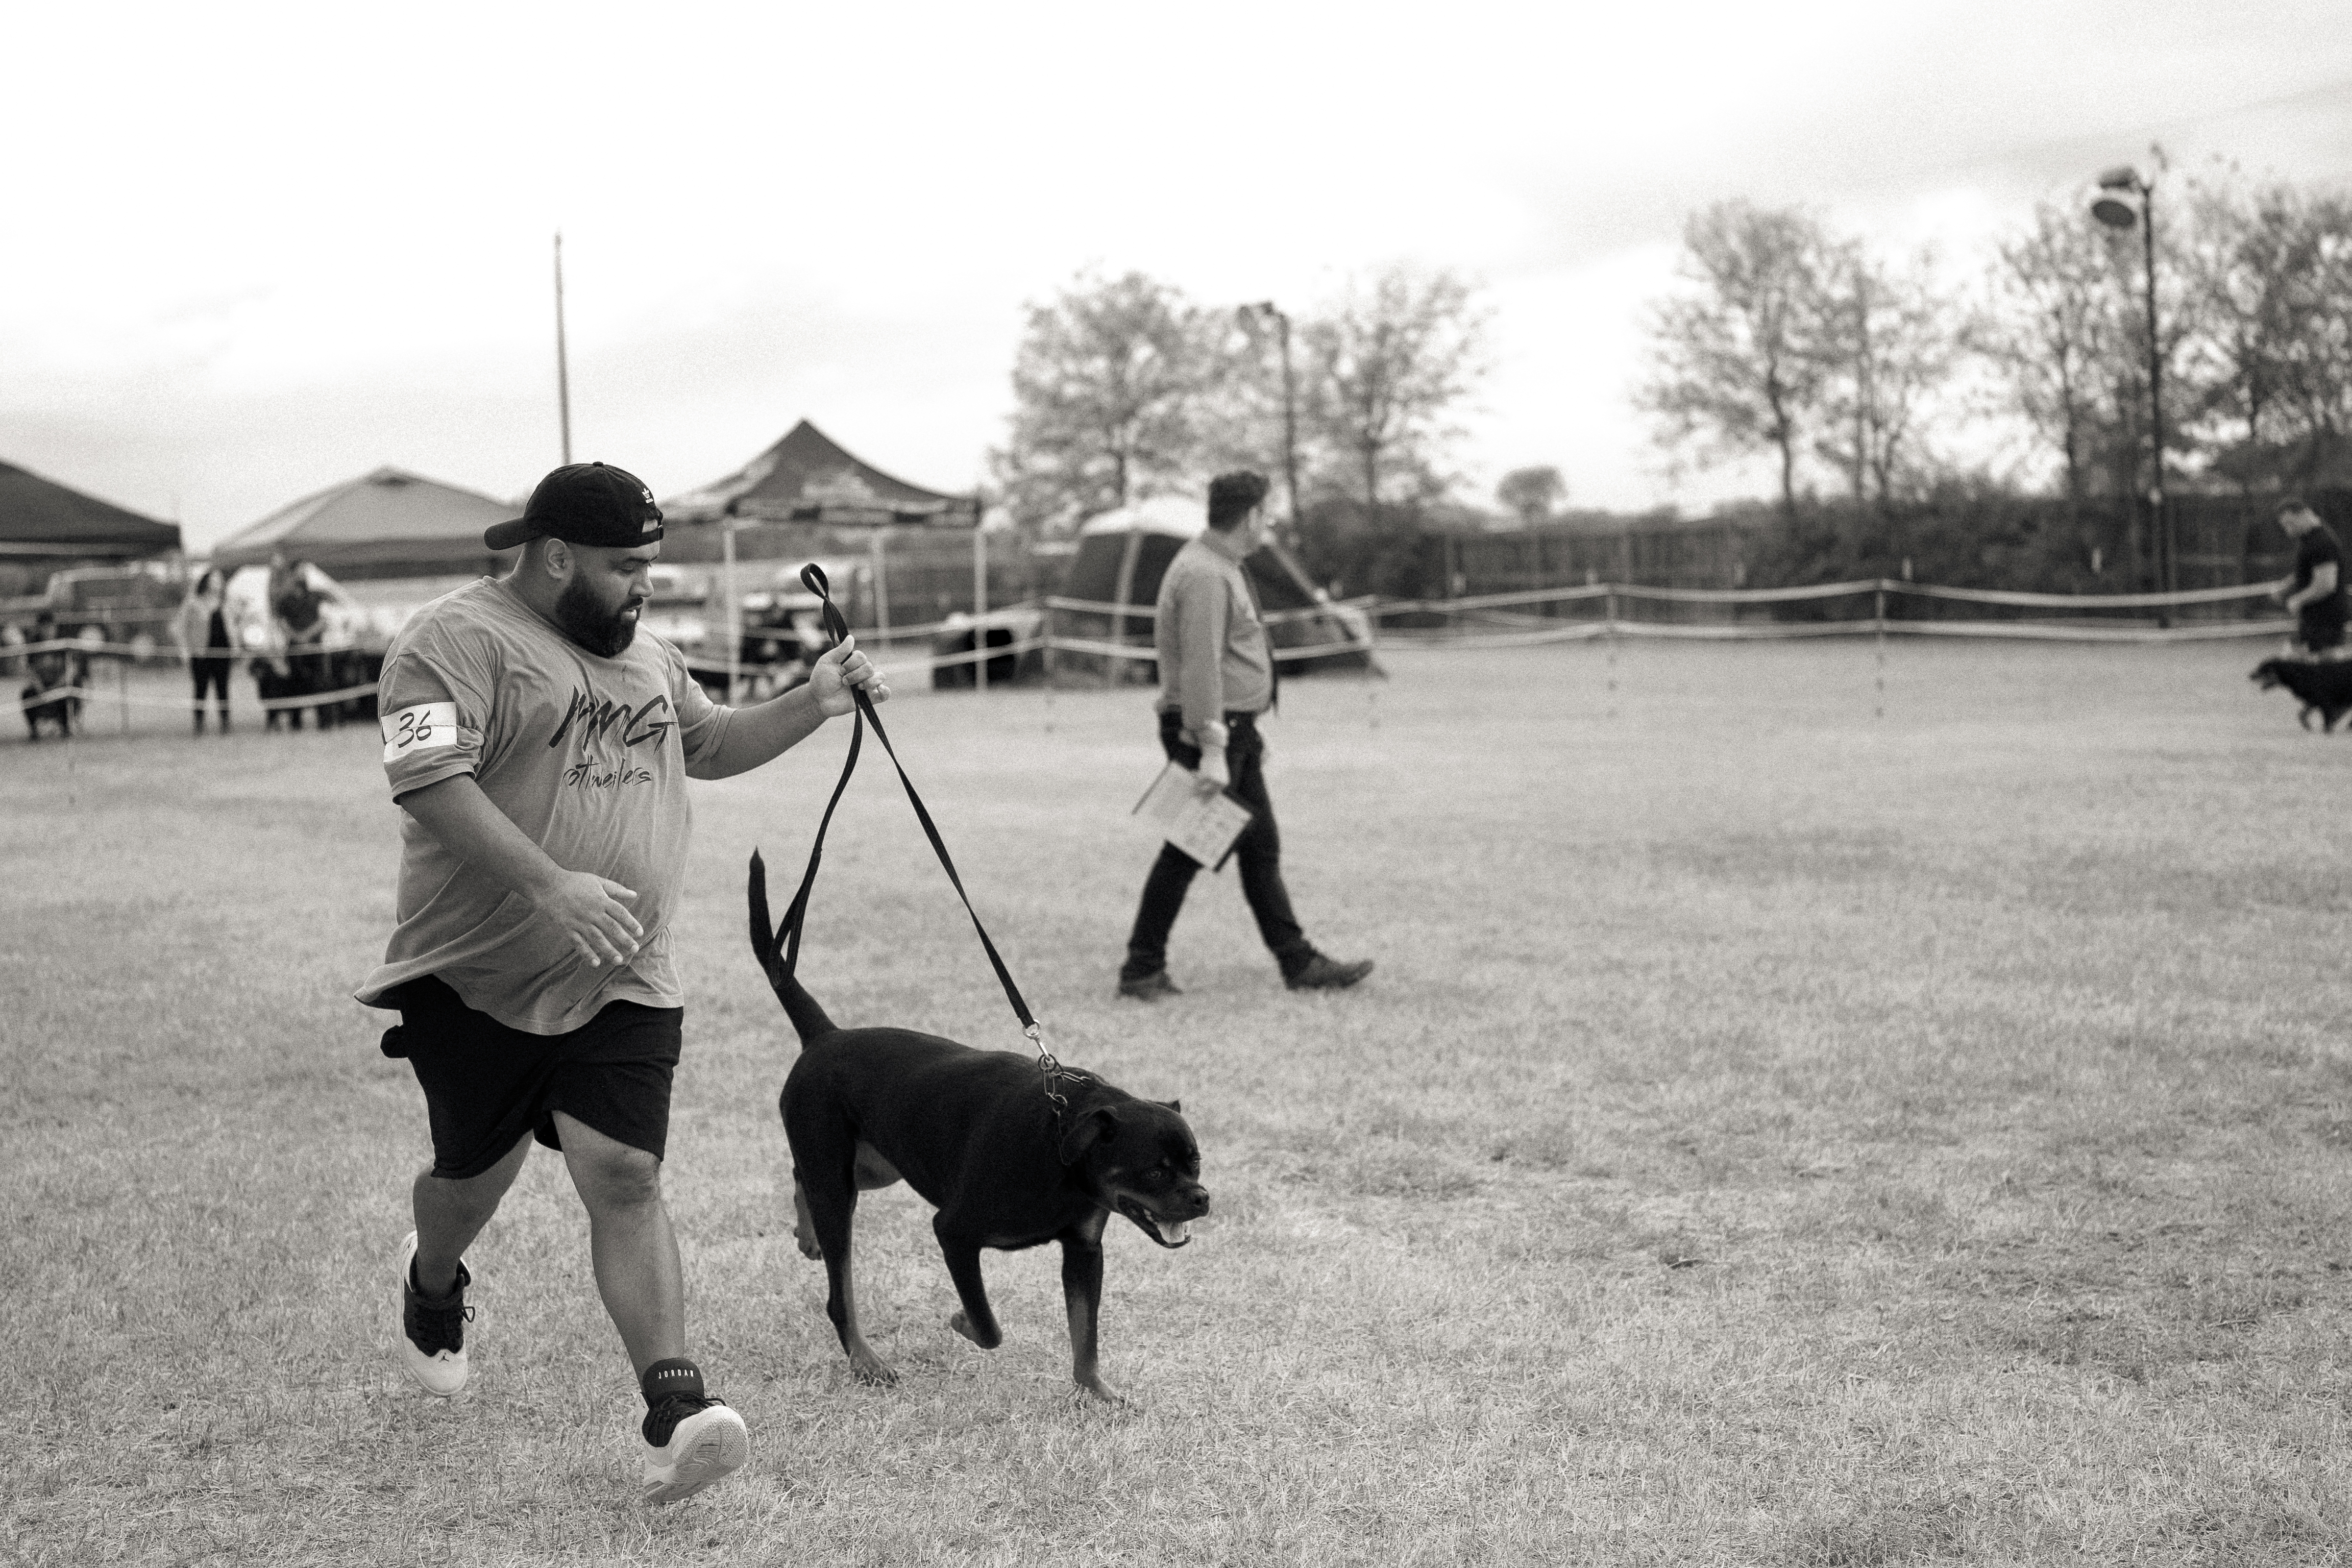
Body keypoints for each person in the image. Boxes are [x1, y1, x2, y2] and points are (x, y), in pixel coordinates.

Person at [353, 461, 889, 1504]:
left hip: (625, 974)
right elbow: (425, 779)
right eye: (627, 567)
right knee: (473, 1178)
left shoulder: (647, 655)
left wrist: (814, 702)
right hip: (475, 976)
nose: (646, 586)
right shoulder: (455, 642)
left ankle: (677, 1407)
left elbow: (714, 742)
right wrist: (549, 886)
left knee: (626, 1173)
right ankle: (432, 1279)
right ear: (556, 559)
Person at [1117, 471, 1372, 999]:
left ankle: (1297, 963)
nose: (1271, 522)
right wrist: (1214, 749)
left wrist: (1244, 732)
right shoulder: (1207, 574)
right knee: (1187, 852)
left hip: (1234, 732)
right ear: (1250, 515)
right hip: (1214, 733)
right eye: (1268, 512)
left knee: (1260, 851)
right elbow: (1202, 667)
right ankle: (1141, 970)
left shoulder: (1218, 565)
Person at [2273, 498, 2350, 660]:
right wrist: (2285, 587)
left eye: (2290, 524)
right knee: (2302, 664)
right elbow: (2308, 572)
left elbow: (2327, 584)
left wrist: (2298, 600)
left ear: (2305, 514)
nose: (2288, 531)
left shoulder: (2322, 542)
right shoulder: (2309, 541)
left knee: (2321, 666)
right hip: (2315, 618)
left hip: (2326, 617)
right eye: (2285, 526)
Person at [271, 558, 334, 728]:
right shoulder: (285, 600)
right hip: (295, 650)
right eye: (300, 570)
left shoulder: (316, 596)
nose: (303, 574)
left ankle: (325, 721)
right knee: (295, 684)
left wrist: (308, 635)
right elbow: (281, 622)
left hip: (315, 648)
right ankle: (296, 721)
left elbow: (325, 619)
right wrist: (298, 638)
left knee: (320, 683)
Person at [174, 568, 237, 734]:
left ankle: (225, 723)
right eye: (215, 579)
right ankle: (199, 724)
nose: (219, 582)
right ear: (207, 581)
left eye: (220, 580)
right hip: (201, 654)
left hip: (223, 653)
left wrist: (236, 646)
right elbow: (179, 628)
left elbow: (232, 628)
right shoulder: (193, 603)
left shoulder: (225, 603)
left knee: (223, 689)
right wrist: (184, 650)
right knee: (201, 689)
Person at [19, 612, 86, 742]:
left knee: (75, 688)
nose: (47, 630)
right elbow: (29, 670)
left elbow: (73, 669)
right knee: (27, 695)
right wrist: (40, 688)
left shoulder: (63, 642)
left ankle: (67, 727)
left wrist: (57, 688)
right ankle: (34, 730)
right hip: (42, 687)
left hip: (61, 686)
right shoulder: (34, 644)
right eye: (44, 627)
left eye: (49, 627)